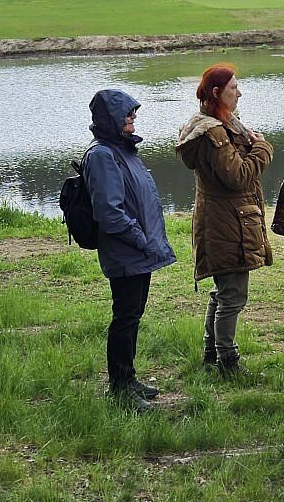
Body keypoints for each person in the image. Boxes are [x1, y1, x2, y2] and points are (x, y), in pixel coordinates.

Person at [175, 64, 273, 375]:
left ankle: (210, 355)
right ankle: (227, 362)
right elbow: (237, 176)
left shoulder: (217, 125)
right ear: (217, 93)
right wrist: (262, 149)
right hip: (228, 224)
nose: (239, 92)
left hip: (226, 221)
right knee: (232, 295)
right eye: (234, 88)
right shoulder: (214, 132)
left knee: (223, 291)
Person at [83, 89, 176, 409]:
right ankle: (120, 387)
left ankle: (128, 378)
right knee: (124, 317)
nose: (133, 116)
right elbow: (110, 213)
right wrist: (141, 239)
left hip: (137, 250)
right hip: (126, 250)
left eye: (133, 111)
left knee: (132, 315)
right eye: (126, 113)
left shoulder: (122, 150)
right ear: (110, 118)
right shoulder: (102, 155)